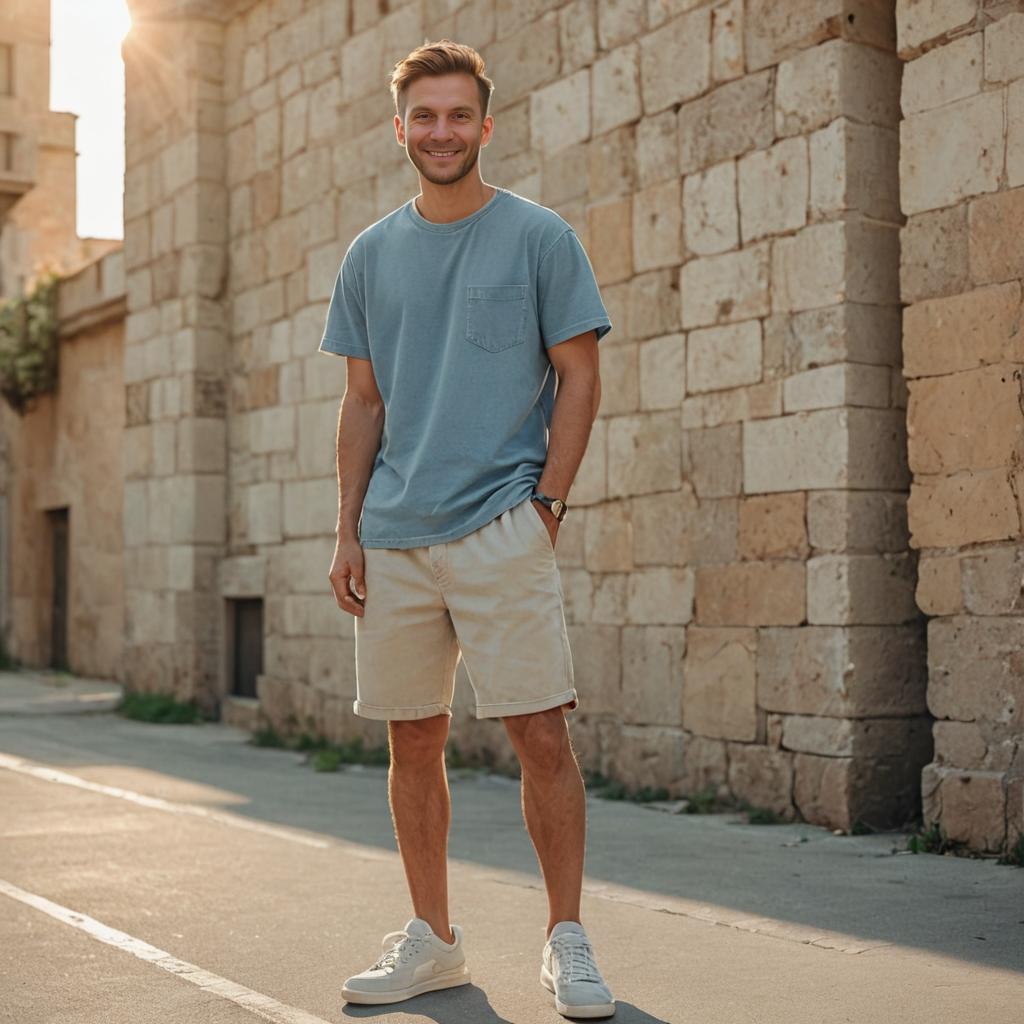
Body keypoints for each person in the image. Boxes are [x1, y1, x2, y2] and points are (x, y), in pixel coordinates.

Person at [319, 39, 615, 1020]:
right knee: (413, 742)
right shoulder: (369, 254)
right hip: (395, 536)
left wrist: (549, 507)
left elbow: (580, 373)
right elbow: (362, 403)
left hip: (503, 523)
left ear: (484, 126)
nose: (440, 131)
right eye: (423, 116)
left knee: (539, 733)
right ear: (398, 127)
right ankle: (433, 940)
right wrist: (346, 529)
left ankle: (565, 940)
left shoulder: (538, 237)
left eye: (457, 116)